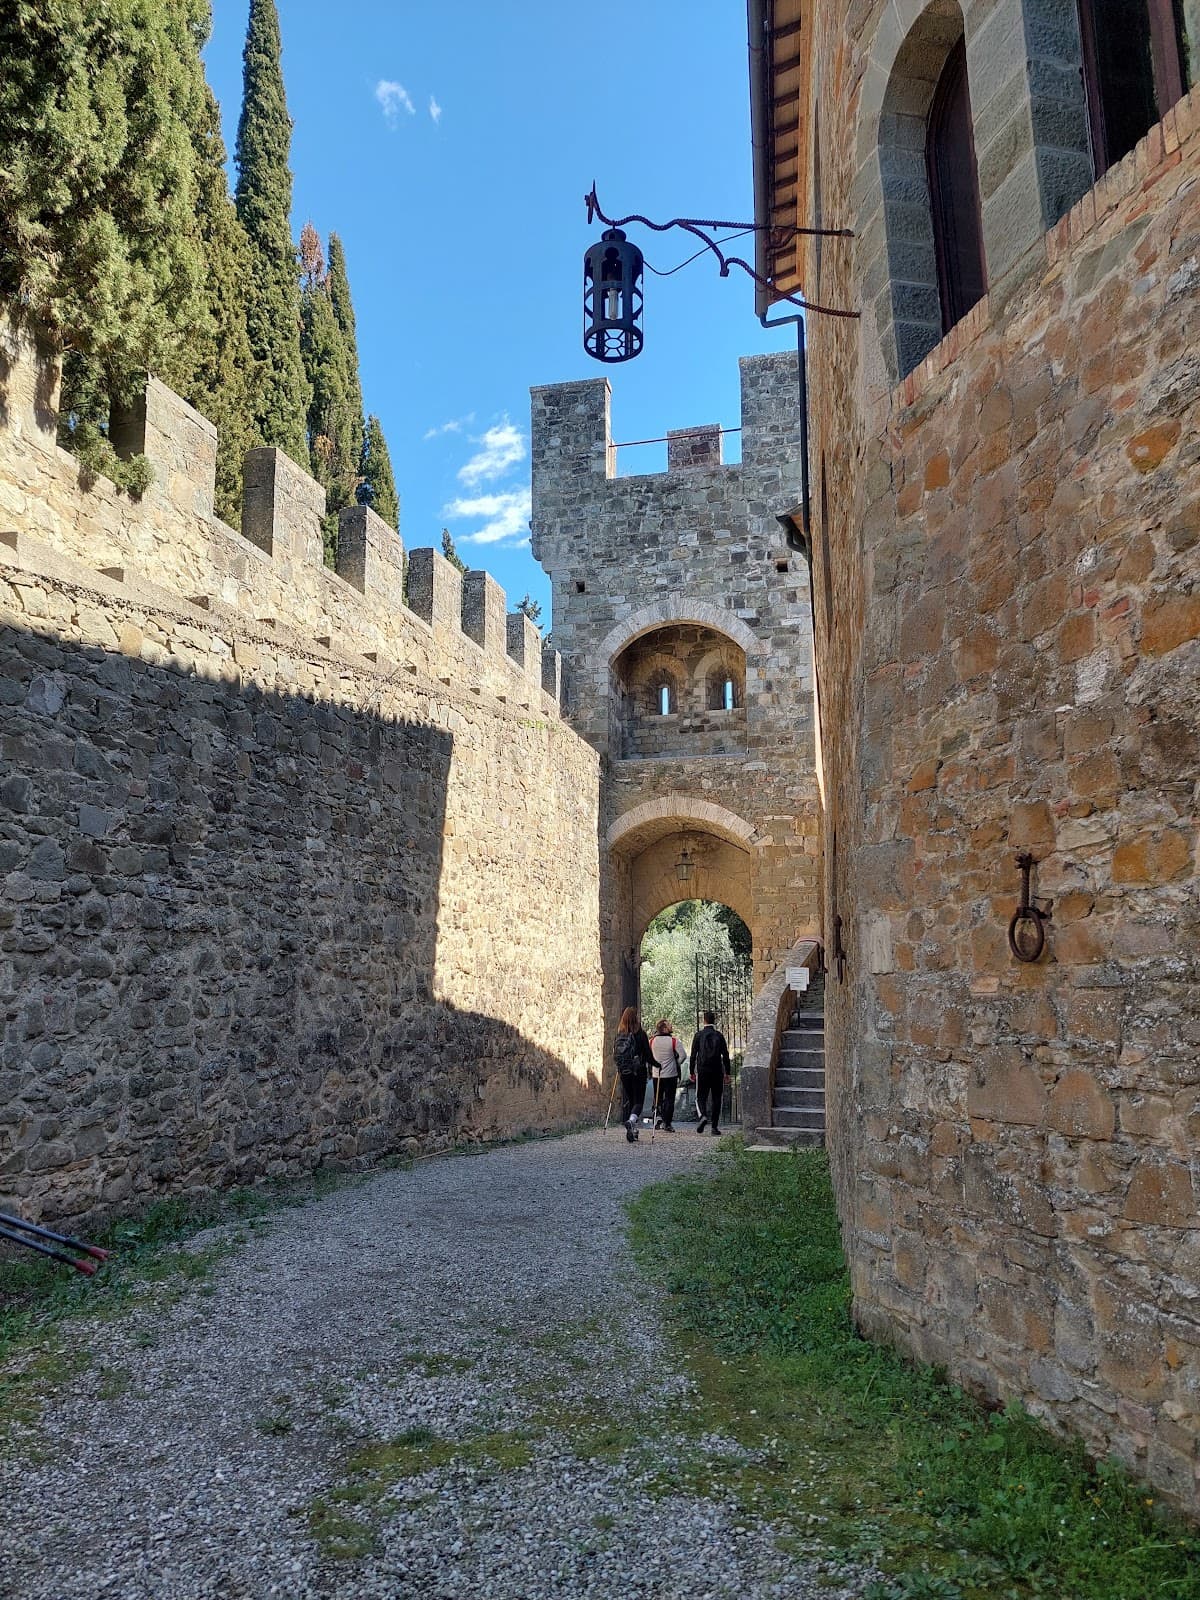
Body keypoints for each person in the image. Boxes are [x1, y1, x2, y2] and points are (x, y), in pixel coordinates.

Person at [613, 1006, 652, 1143]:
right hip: (638, 1071)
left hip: (624, 1072)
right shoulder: (640, 1034)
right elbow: (648, 1055)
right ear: (636, 1018)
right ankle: (631, 1121)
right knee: (638, 1101)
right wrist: (657, 1065)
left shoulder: (620, 1035)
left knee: (631, 1100)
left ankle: (633, 1131)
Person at [690, 1010, 731, 1135]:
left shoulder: (698, 1035)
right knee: (717, 1097)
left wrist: (691, 1071)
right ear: (714, 1021)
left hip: (702, 1070)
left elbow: (693, 1055)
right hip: (717, 1070)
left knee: (700, 1096)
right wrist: (727, 1072)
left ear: (704, 1020)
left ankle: (702, 1115)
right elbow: (725, 1055)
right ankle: (714, 1127)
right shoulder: (719, 1035)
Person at [649, 1020, 687, 1132]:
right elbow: (683, 1056)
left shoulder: (651, 1041)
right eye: (669, 1025)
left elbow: (648, 1056)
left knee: (657, 1097)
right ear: (664, 1028)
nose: (671, 1026)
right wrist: (676, 1064)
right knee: (669, 1099)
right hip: (671, 1074)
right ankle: (667, 1123)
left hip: (657, 1074)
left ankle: (658, 1117)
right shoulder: (674, 1041)